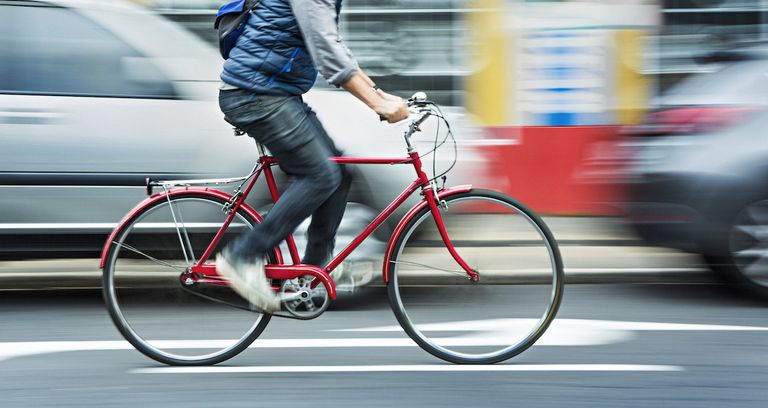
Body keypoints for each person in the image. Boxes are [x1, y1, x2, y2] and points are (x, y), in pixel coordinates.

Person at [216, 0, 409, 313]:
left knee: (339, 172)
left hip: (275, 94)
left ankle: (311, 274)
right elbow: (327, 52)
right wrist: (375, 104)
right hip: (255, 95)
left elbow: (332, 44)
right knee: (321, 175)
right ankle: (243, 256)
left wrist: (379, 93)